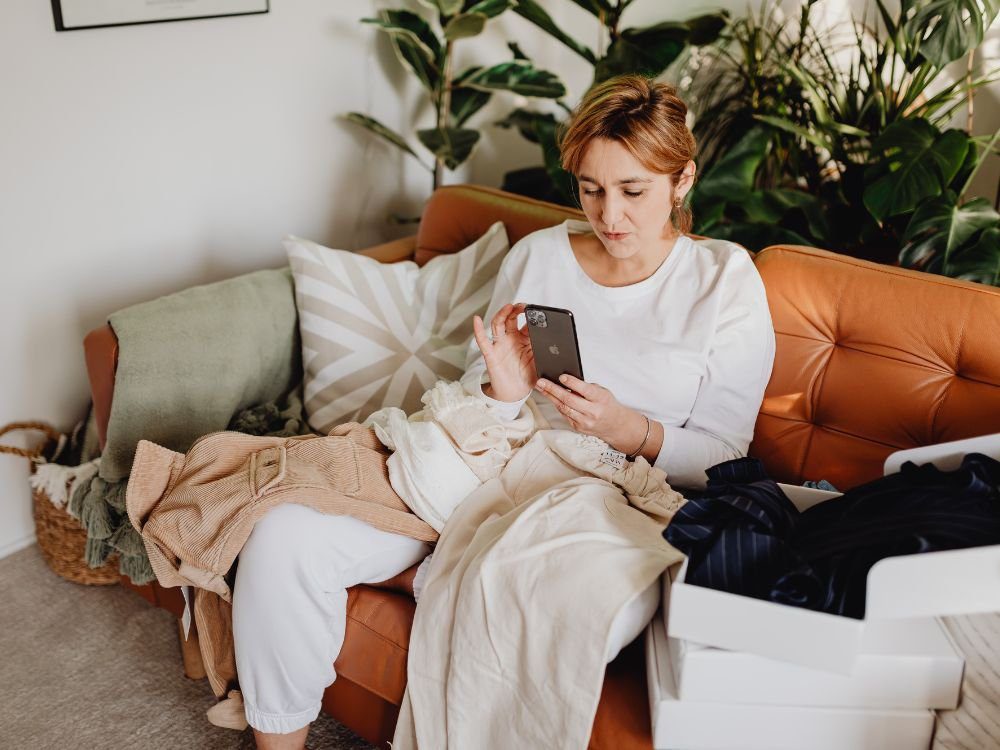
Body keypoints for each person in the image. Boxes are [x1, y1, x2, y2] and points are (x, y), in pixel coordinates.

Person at [231, 74, 775, 750]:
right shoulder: (540, 255)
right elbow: (480, 390)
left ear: (683, 180)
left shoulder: (724, 281)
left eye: (634, 191)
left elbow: (727, 455)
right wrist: (504, 392)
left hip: (617, 498)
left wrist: (629, 429)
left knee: (535, 601)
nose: (611, 217)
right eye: (591, 188)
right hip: (490, 460)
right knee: (285, 535)